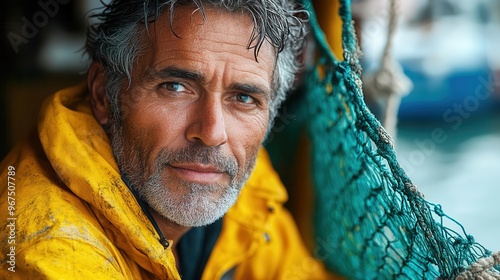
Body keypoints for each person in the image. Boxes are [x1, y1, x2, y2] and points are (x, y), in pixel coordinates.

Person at [0, 0, 340, 279]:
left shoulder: (242, 186)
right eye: (175, 87)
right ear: (104, 95)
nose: (211, 134)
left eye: (244, 98)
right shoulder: (49, 248)